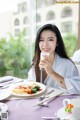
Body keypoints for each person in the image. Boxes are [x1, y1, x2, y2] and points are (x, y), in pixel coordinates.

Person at [27, 24, 80, 94]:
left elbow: (77, 89)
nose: (45, 44)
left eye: (50, 40)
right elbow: (30, 85)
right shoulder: (36, 62)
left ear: (57, 42)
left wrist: (52, 73)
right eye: (41, 40)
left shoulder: (67, 64)